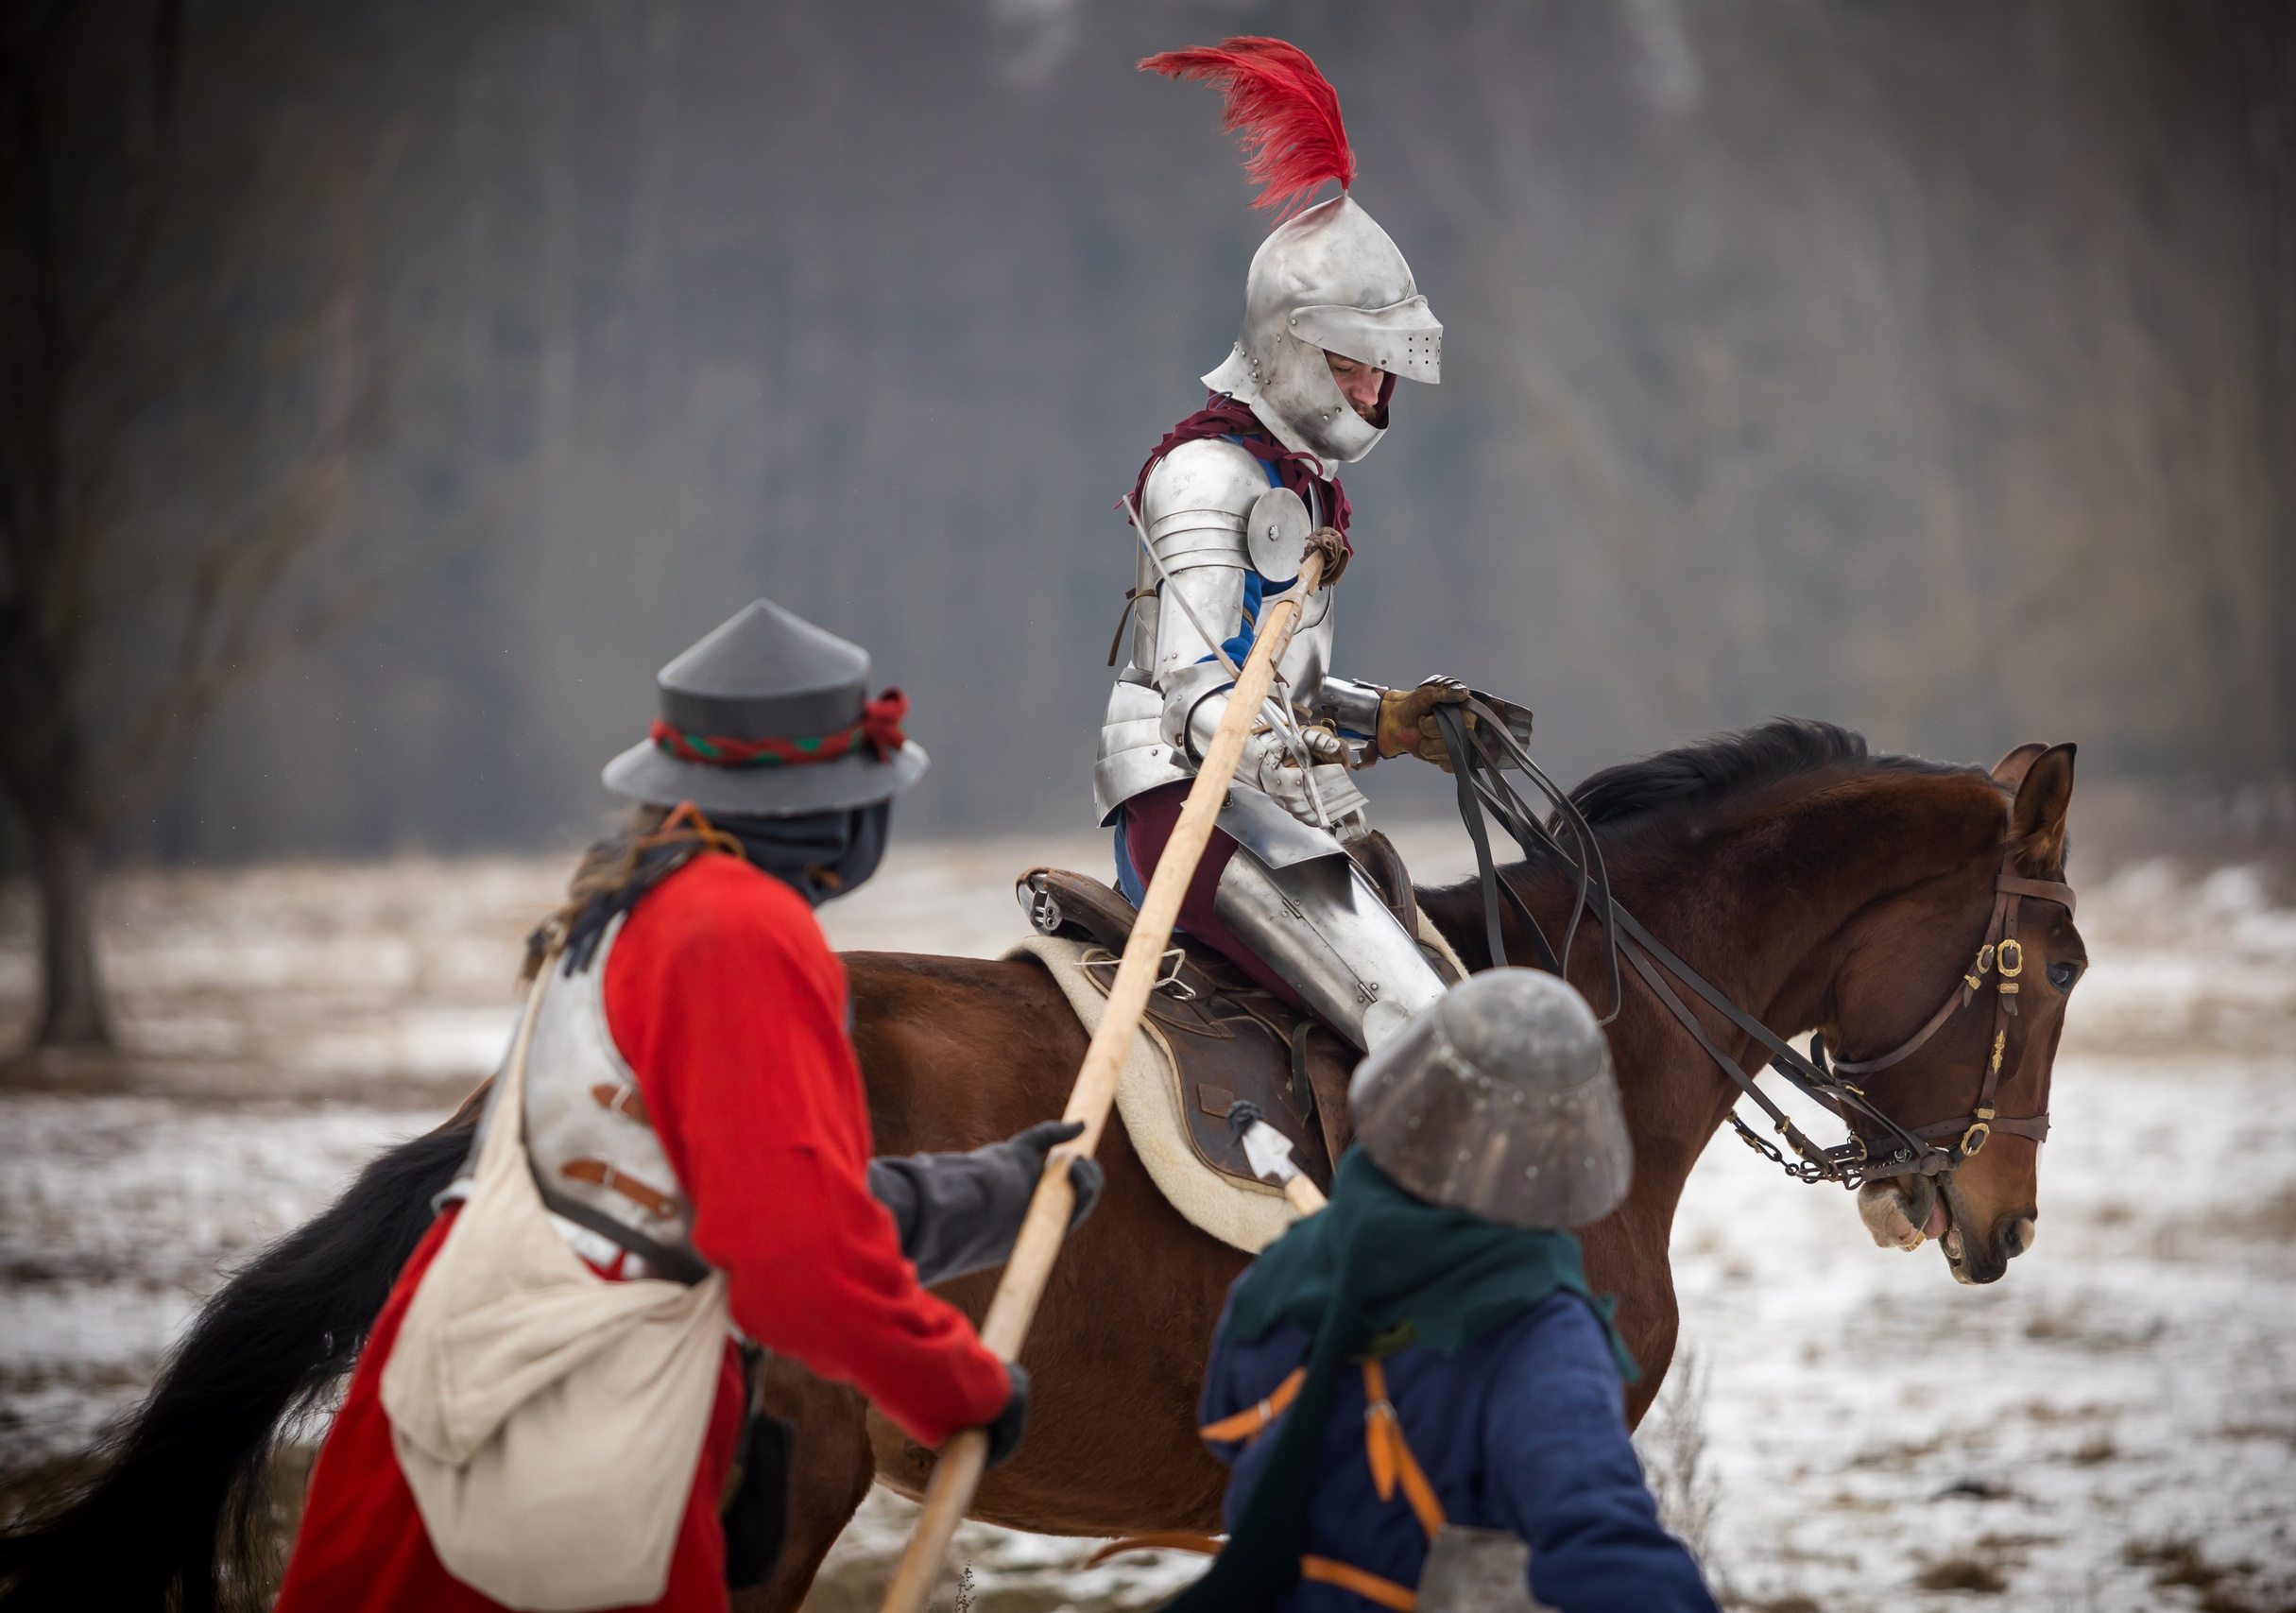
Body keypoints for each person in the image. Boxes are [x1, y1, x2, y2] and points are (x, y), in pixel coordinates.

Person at [274, 599, 1102, 1613]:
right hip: (565, 1420)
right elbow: (785, 1262)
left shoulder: (638, 901)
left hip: (469, 1381)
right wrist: (952, 1387)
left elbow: (737, 1190)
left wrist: (993, 1192)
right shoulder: (743, 930)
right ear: (823, 811)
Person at [1099, 38, 1514, 1055]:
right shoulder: (1209, 475)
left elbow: (1280, 685)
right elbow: (1206, 700)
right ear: (1289, 345)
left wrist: (1393, 721)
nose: (1374, 392)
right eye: (1353, 364)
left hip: (1275, 813)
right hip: (1192, 815)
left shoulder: (1298, 479)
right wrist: (1320, 749)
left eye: (1383, 372)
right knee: (1425, 1043)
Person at [1180, 970, 1717, 1613]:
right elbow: (1602, 1543)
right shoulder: (1539, 1331)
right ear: (1567, 1142)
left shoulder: (1282, 1273)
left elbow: (1226, 1433)